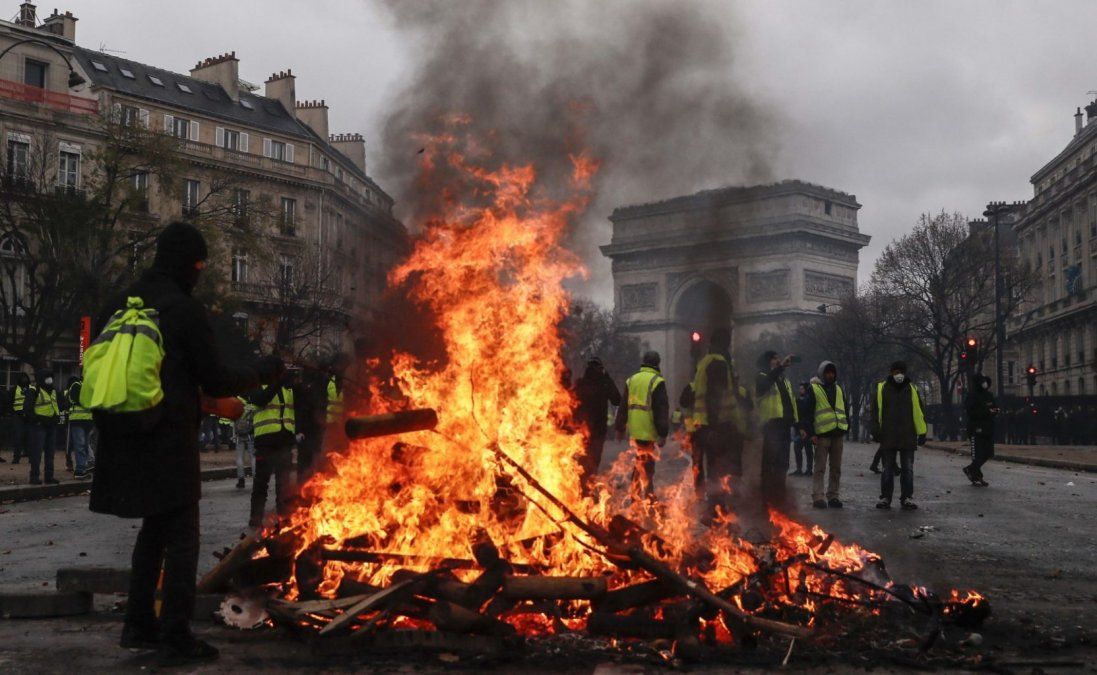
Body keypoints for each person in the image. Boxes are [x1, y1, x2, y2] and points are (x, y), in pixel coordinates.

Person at [89, 222, 280, 663]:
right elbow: (216, 379)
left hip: (123, 436)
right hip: (167, 441)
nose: (200, 273)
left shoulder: (118, 305)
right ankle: (175, 635)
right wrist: (263, 371)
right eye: (200, 265)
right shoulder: (183, 309)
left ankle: (138, 625)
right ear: (190, 264)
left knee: (152, 532)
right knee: (181, 538)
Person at [871, 361, 927, 510]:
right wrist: (875, 430)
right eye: (896, 372)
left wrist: (922, 431)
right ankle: (886, 497)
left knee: (907, 469)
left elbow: (919, 412)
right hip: (888, 435)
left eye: (901, 372)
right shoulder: (882, 389)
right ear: (891, 372)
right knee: (887, 469)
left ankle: (906, 497)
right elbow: (875, 411)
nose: (899, 375)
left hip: (907, 435)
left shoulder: (912, 389)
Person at [614, 351, 669, 501]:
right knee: (647, 467)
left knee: (641, 463)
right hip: (648, 431)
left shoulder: (632, 380)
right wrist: (663, 433)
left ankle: (638, 497)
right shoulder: (657, 381)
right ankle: (645, 498)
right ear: (657, 363)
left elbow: (623, 406)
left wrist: (620, 427)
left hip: (635, 431)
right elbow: (661, 409)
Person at [249, 368, 299, 529]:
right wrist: (278, 382)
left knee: (283, 484)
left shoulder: (287, 388)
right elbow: (260, 400)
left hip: (284, 443)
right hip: (265, 443)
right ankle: (256, 519)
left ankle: (283, 517)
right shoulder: (257, 385)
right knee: (261, 483)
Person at [755, 351, 799, 506]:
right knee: (770, 462)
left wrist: (797, 424)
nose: (778, 360)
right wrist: (780, 368)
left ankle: (780, 496)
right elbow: (764, 386)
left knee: (783, 463)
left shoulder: (784, 380)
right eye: (775, 358)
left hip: (785, 424)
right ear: (767, 361)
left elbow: (791, 401)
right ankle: (766, 498)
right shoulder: (762, 376)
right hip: (771, 424)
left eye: (778, 358)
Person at [804, 361, 849, 509]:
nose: (830, 375)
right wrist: (811, 433)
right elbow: (808, 412)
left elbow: (845, 409)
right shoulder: (814, 389)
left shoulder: (839, 389)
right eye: (827, 372)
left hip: (838, 434)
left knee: (836, 468)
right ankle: (818, 496)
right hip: (822, 435)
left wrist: (846, 426)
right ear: (822, 373)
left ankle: (833, 496)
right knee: (820, 468)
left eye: (832, 373)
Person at [573, 356, 621, 484]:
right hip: (598, 430)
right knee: (594, 461)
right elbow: (617, 400)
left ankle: (581, 486)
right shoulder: (604, 383)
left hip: (582, 430)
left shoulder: (580, 383)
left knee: (583, 459)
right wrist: (607, 378)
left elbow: (571, 403)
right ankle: (588, 486)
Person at [24, 369, 60, 485]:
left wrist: (56, 419)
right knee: (36, 453)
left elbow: (57, 405)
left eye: (51, 377)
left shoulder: (53, 390)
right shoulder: (34, 390)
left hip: (51, 425)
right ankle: (34, 477)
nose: (49, 379)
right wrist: (37, 421)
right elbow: (27, 408)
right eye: (47, 377)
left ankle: (49, 476)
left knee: (50, 453)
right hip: (39, 426)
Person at [963, 374, 998, 487]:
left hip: (988, 428)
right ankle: (976, 475)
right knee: (978, 454)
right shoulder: (972, 396)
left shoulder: (989, 395)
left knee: (988, 452)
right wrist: (987, 412)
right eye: (982, 382)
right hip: (976, 429)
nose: (984, 384)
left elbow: (994, 406)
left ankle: (971, 470)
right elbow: (971, 412)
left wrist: (995, 411)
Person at [65, 376, 95, 480]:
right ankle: (80, 470)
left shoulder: (89, 387)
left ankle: (83, 468)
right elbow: (79, 400)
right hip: (77, 420)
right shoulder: (76, 385)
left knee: (85, 445)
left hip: (88, 420)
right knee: (80, 445)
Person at [790, 382, 814, 476]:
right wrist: (798, 427)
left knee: (808, 450)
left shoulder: (810, 402)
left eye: (802, 389)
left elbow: (809, 416)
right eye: (800, 389)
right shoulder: (797, 401)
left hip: (807, 429)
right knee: (797, 449)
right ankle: (799, 469)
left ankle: (809, 469)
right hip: (800, 429)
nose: (800, 390)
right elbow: (795, 416)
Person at [234, 395, 257, 490]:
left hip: (239, 435)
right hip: (250, 435)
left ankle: (241, 480)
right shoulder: (251, 405)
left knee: (239, 458)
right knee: (253, 457)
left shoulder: (237, 404)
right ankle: (256, 479)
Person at [8, 372, 31, 464]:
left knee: (30, 437)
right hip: (18, 416)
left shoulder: (32, 389)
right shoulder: (14, 389)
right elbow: (9, 402)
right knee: (18, 437)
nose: (24, 380)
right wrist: (13, 412)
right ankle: (16, 457)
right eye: (22, 378)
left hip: (29, 416)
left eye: (25, 378)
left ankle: (30, 456)